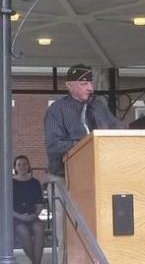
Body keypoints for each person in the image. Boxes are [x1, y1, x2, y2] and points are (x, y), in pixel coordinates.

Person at [44, 63, 123, 264]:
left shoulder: (99, 106)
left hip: (98, 181)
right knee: (68, 233)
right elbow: (53, 146)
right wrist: (85, 144)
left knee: (98, 229)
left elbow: (117, 130)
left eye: (91, 83)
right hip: (65, 179)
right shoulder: (57, 110)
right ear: (69, 85)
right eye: (84, 83)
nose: (90, 88)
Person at [13, 155, 44, 264]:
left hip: (32, 216)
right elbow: (5, 205)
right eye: (19, 164)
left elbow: (39, 204)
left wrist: (35, 215)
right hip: (15, 217)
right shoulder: (10, 183)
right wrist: (20, 216)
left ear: (29, 166)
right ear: (15, 168)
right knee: (24, 231)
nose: (22, 166)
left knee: (39, 228)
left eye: (25, 164)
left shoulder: (35, 182)